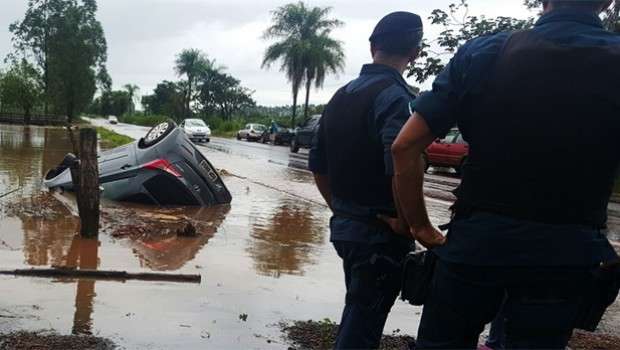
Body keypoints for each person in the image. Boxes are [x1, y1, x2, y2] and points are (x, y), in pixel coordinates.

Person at [390, 0, 620, 348]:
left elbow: (404, 147)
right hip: (567, 253)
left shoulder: (486, 51)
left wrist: (420, 226)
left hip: (476, 244)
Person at [308, 11, 424, 350]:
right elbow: (401, 160)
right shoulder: (397, 97)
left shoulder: (341, 96)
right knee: (364, 322)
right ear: (415, 53)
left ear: (373, 46)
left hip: (347, 228)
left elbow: (318, 166)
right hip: (380, 234)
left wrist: (342, 209)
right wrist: (409, 223)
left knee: (358, 310)